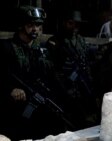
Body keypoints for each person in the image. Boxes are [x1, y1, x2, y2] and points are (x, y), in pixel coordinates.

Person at [0, 5, 66, 140]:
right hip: (13, 112)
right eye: (30, 24)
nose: (35, 28)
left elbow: (53, 79)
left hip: (40, 112)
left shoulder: (43, 51)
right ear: (21, 25)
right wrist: (10, 89)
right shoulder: (6, 48)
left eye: (38, 25)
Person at [46, 10, 99, 130]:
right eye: (71, 23)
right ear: (64, 23)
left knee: (85, 123)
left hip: (82, 91)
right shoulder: (55, 42)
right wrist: (65, 88)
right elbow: (53, 71)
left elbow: (86, 64)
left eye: (77, 24)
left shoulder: (81, 40)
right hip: (64, 91)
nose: (75, 27)